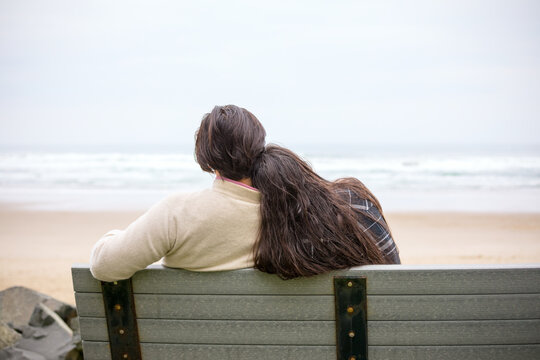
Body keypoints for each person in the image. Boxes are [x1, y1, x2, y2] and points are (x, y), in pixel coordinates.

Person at [90, 105, 399, 282]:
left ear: (207, 160)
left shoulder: (177, 215)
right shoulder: (305, 215)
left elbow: (105, 266)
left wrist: (117, 236)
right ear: (259, 145)